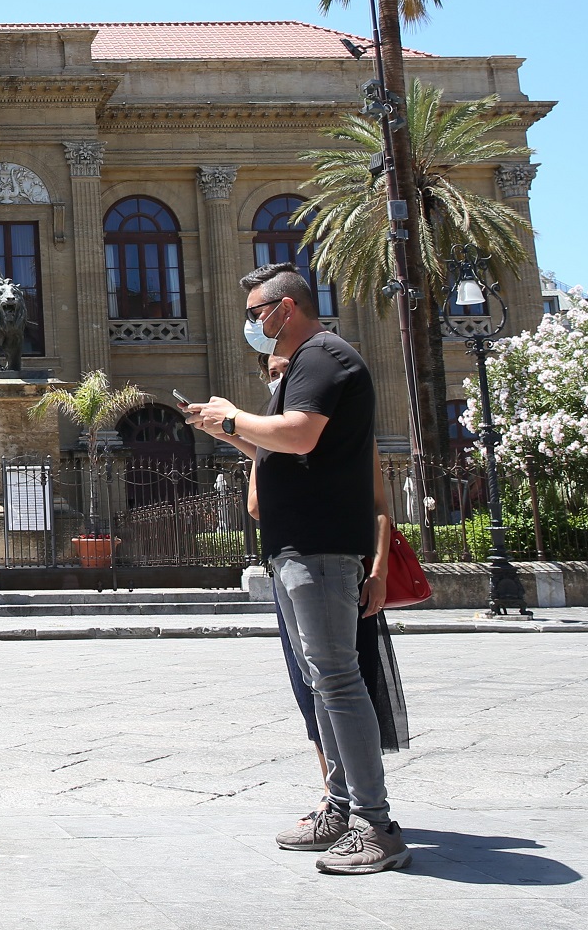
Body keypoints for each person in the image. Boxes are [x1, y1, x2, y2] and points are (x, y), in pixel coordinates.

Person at [184, 261, 411, 874]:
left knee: (337, 681)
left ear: (286, 309)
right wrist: (226, 426)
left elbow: (302, 435)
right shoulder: (310, 361)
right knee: (323, 682)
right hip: (296, 546)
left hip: (319, 547)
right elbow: (279, 446)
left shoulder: (322, 356)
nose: (253, 325)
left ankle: (375, 823)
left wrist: (233, 416)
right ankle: (339, 806)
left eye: (258, 313)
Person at [243, 355, 411, 818]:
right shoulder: (274, 438)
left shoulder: (342, 433)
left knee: (340, 682)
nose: (279, 380)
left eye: (286, 372)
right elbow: (261, 502)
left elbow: (378, 504)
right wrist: (246, 439)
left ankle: (369, 815)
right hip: (288, 562)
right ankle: (336, 800)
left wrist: (376, 573)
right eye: (273, 374)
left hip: (334, 568)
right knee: (313, 688)